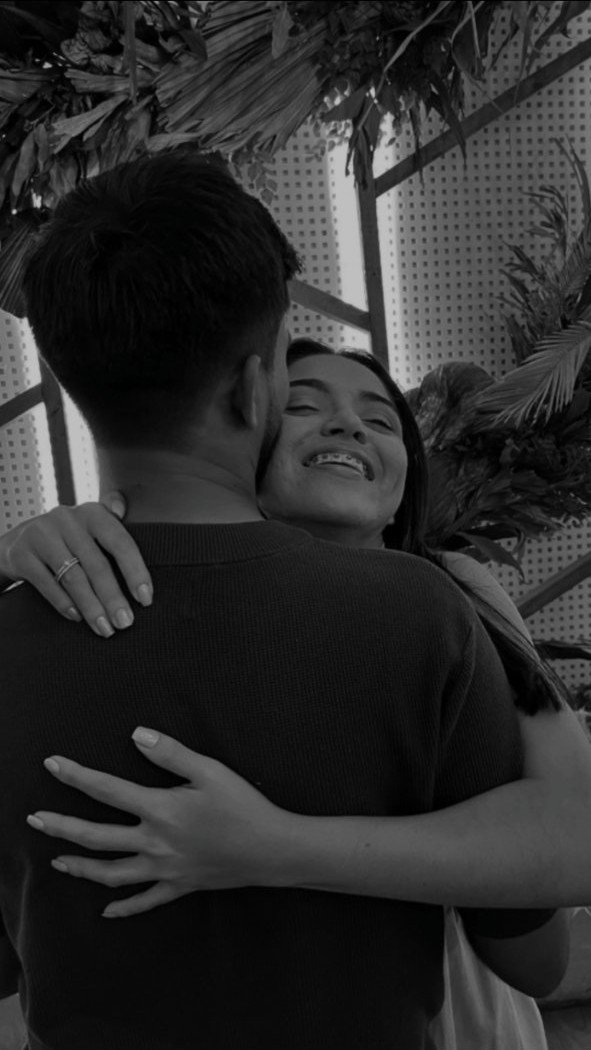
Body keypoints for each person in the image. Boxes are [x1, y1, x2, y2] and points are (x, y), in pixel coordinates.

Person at [0, 151, 570, 1050]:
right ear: (254, 386)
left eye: (379, 418)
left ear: (66, 376)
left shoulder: (446, 598)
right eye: (303, 393)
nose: (345, 425)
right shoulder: (416, 618)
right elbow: (534, 950)